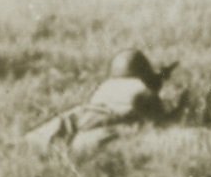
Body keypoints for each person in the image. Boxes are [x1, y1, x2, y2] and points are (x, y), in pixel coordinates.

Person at [24, 48, 184, 153]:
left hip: (86, 112)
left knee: (50, 132)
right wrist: (180, 106)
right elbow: (158, 117)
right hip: (107, 119)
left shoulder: (107, 86)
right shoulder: (141, 90)